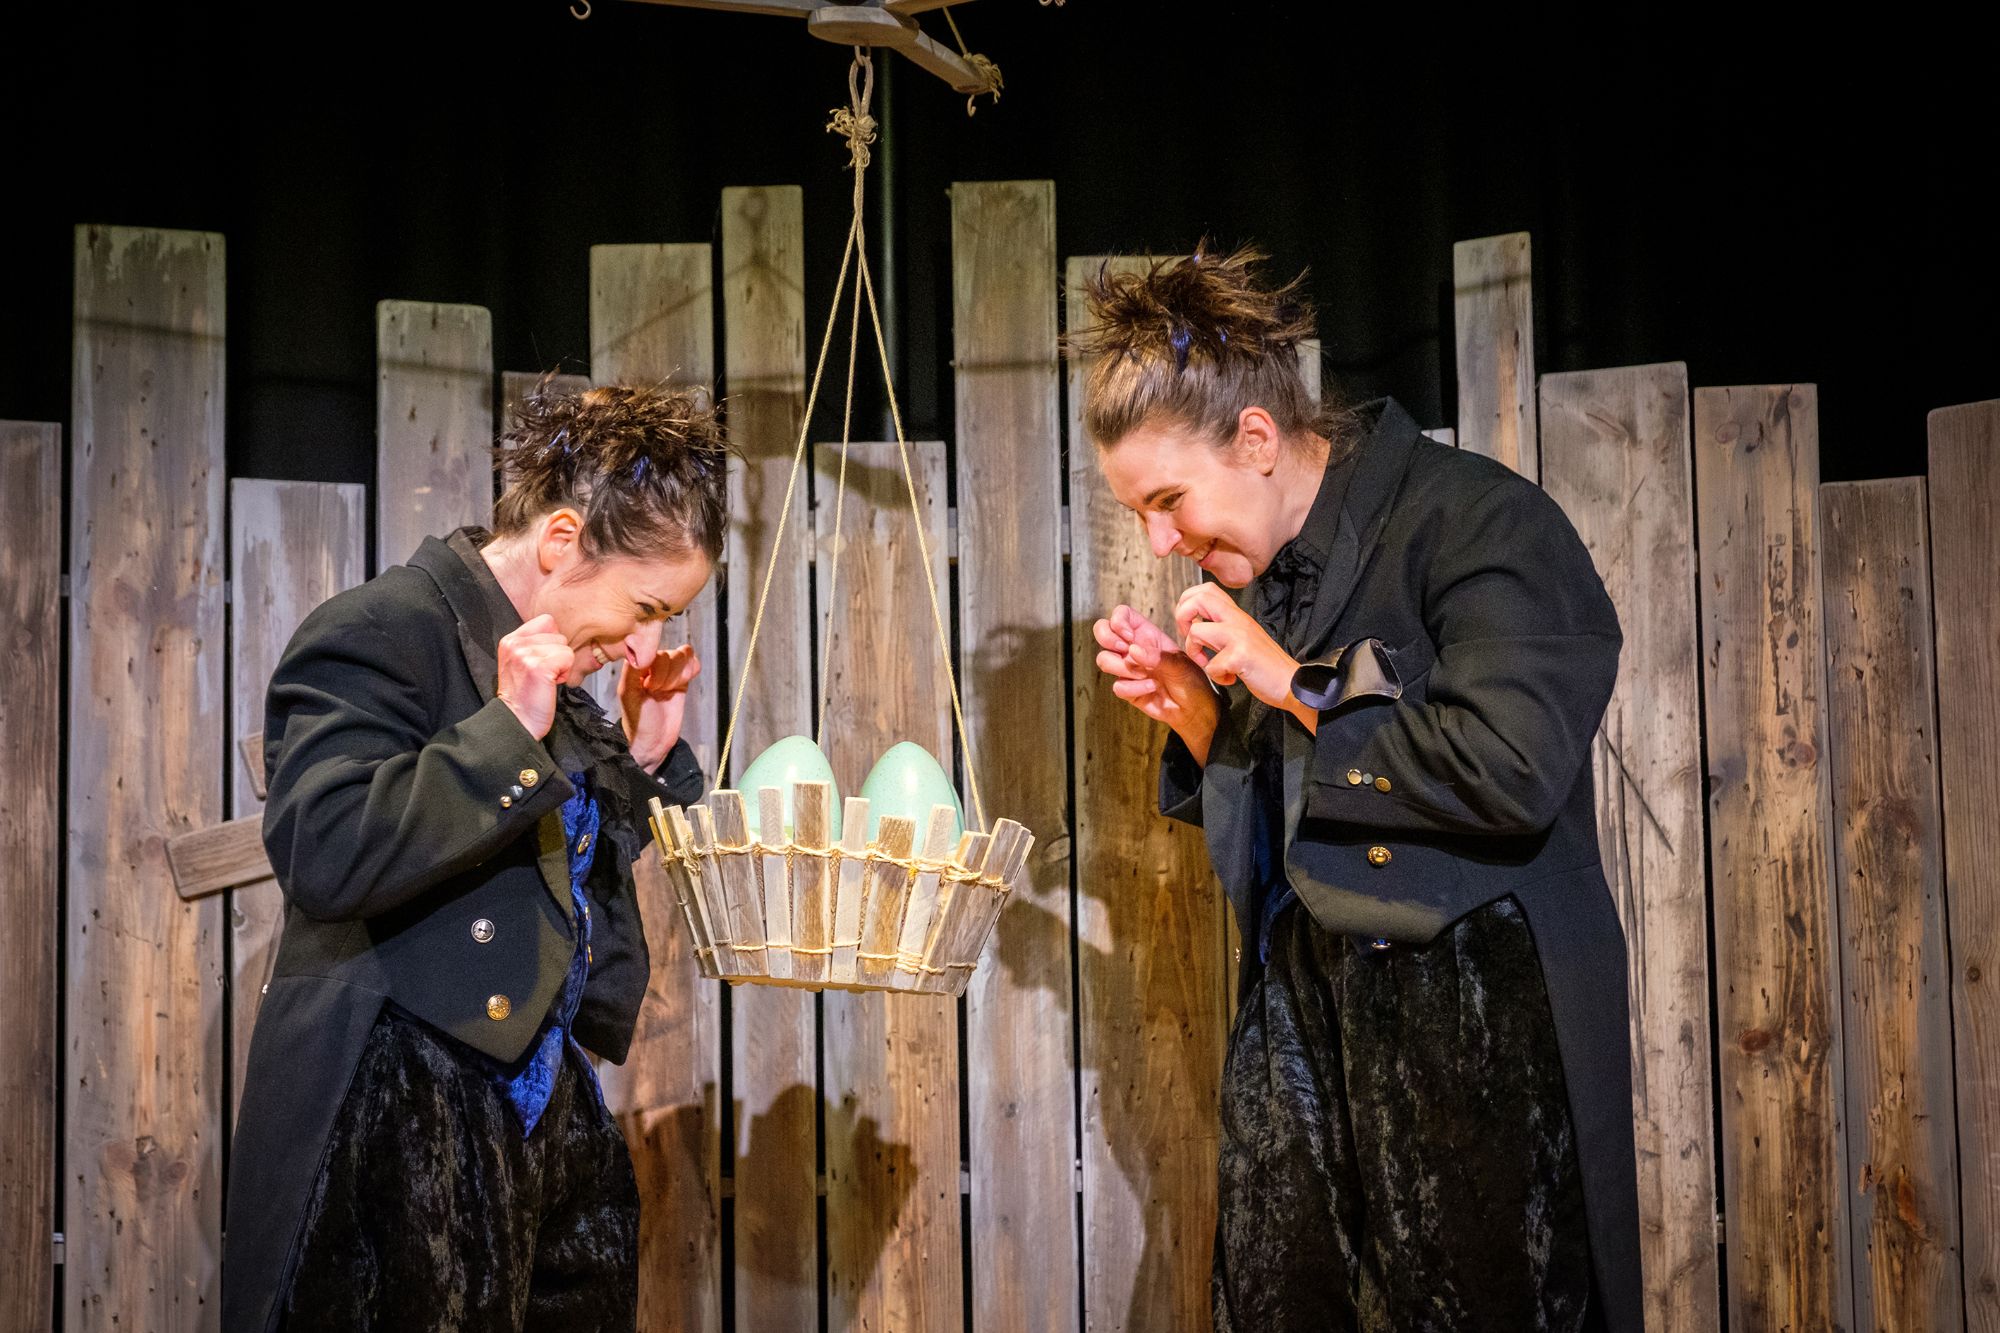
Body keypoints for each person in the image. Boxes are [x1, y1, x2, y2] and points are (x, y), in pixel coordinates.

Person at [1078, 247, 1641, 1333]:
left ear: (1253, 439)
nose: (1159, 540)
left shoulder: (1479, 521)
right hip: (1302, 1029)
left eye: (1165, 500)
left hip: (1473, 1037)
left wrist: (1286, 681)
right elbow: (1292, 850)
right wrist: (1202, 719)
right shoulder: (1259, 578)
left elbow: (1511, 768)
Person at [222, 381, 725, 1333]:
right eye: (646, 605)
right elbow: (322, 850)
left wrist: (641, 758)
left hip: (532, 1138)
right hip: (389, 1139)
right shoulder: (382, 631)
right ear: (564, 541)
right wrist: (506, 733)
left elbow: (558, 888)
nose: (641, 644)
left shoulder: (557, 684)